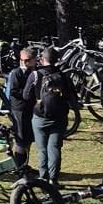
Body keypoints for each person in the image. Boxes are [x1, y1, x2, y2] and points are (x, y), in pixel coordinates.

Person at [24, 48, 74, 188]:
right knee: (55, 148)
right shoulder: (63, 75)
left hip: (40, 117)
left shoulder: (35, 75)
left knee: (42, 149)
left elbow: (26, 96)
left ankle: (43, 177)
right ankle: (53, 179)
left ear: (42, 59)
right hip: (59, 117)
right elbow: (71, 96)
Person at [5, 45, 35, 169]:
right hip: (19, 109)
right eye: (22, 60)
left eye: (27, 60)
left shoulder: (33, 71)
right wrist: (27, 93)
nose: (23, 63)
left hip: (30, 108)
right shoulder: (17, 73)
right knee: (21, 139)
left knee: (28, 138)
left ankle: (24, 164)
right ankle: (18, 166)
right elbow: (13, 91)